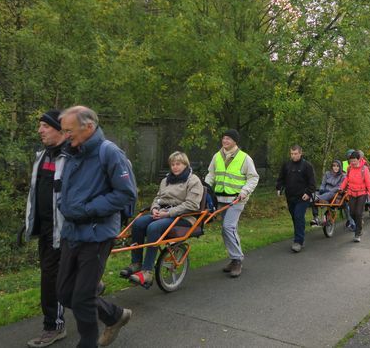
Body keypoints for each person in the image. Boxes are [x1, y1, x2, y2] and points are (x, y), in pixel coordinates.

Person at [56, 106, 136, 348]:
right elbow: (67, 189)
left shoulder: (109, 152)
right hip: (72, 232)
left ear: (88, 127)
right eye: (63, 130)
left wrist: (88, 209)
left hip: (96, 235)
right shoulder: (72, 152)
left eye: (69, 130)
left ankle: (88, 343)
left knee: (81, 298)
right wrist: (64, 204)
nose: (65, 135)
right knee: (64, 293)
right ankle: (114, 315)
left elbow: (126, 193)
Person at [121, 151, 203, 287]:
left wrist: (168, 213)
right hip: (163, 213)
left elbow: (192, 205)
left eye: (178, 164)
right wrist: (154, 208)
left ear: (185, 165)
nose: (175, 167)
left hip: (184, 217)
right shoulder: (166, 180)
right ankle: (136, 263)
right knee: (138, 223)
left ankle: (147, 272)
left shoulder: (193, 180)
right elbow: (158, 198)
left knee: (154, 227)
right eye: (172, 164)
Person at [24, 110, 68, 348]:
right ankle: (95, 292)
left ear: (60, 129)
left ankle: (54, 326)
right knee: (56, 277)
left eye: (45, 126)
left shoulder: (72, 157)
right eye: (39, 125)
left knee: (52, 279)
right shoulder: (42, 156)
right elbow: (36, 194)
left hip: (63, 232)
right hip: (45, 230)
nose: (40, 130)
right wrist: (30, 222)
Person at [205, 129, 259, 277]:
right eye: (223, 138)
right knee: (226, 229)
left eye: (228, 139)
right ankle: (234, 259)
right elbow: (211, 174)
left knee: (228, 227)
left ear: (235, 141)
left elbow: (253, 177)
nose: (225, 141)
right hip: (220, 199)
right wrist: (204, 189)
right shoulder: (217, 156)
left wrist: (245, 191)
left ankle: (237, 260)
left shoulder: (244, 158)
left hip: (237, 199)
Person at [276, 145, 316, 252]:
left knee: (298, 216)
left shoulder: (307, 166)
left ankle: (298, 241)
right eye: (291, 154)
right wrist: (279, 187)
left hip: (303, 197)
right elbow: (281, 178)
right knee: (295, 218)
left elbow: (312, 182)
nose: (293, 156)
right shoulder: (287, 165)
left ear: (300, 153)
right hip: (290, 196)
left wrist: (308, 193)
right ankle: (299, 237)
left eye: (295, 154)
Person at [339, 151, 370, 242]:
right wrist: (341, 188)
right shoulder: (349, 168)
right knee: (352, 213)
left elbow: (368, 184)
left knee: (359, 213)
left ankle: (357, 232)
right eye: (351, 161)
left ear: (359, 159)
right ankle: (359, 225)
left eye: (354, 161)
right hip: (351, 192)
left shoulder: (364, 169)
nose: (353, 163)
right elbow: (347, 179)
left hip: (362, 193)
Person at [310, 160, 345, 226]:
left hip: (335, 193)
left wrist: (330, 191)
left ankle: (317, 198)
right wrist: (321, 189)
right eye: (334, 166)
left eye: (337, 166)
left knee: (330, 194)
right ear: (331, 167)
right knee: (313, 194)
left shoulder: (342, 176)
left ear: (340, 167)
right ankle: (316, 217)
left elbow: (339, 186)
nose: (335, 167)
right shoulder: (327, 174)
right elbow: (323, 184)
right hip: (325, 191)